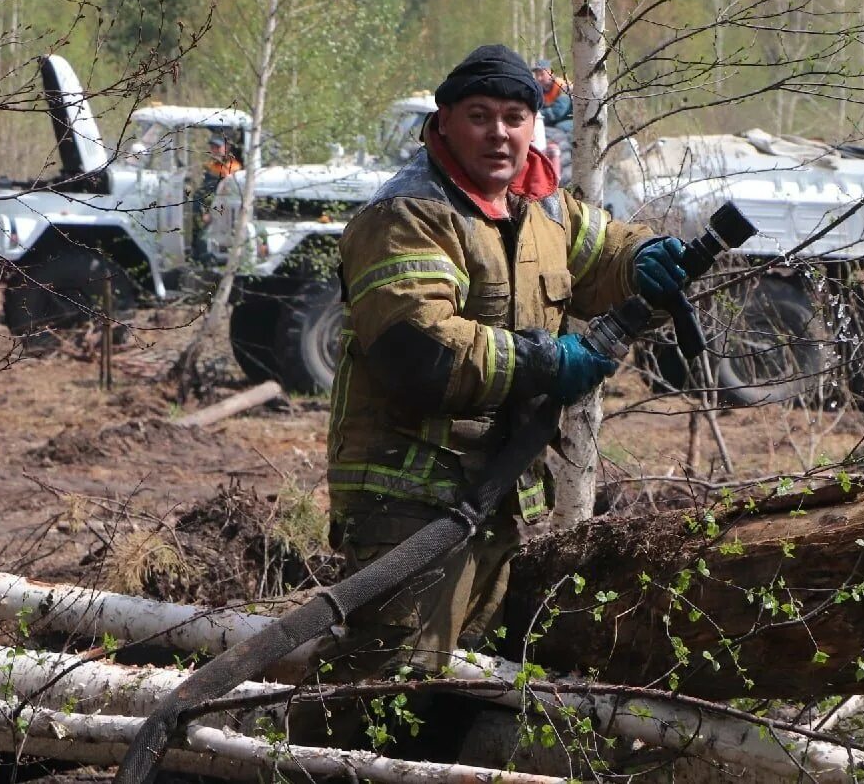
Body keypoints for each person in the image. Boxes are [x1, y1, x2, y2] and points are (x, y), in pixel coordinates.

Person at [291, 43, 686, 751]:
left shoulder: (538, 208)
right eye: (480, 117)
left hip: (493, 496)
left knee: (458, 687)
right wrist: (547, 360)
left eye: (514, 116)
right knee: (381, 689)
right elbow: (419, 348)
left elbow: (603, 252)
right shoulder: (408, 213)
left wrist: (642, 258)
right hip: (407, 495)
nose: (499, 133)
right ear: (443, 122)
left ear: (535, 125)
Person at [192, 134, 242, 262]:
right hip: (210, 210)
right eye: (212, 147)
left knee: (204, 240)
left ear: (227, 148)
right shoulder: (211, 167)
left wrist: (210, 213)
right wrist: (203, 211)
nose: (214, 150)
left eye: (217, 147)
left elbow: (225, 197)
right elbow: (204, 193)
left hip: (224, 214)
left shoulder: (234, 168)